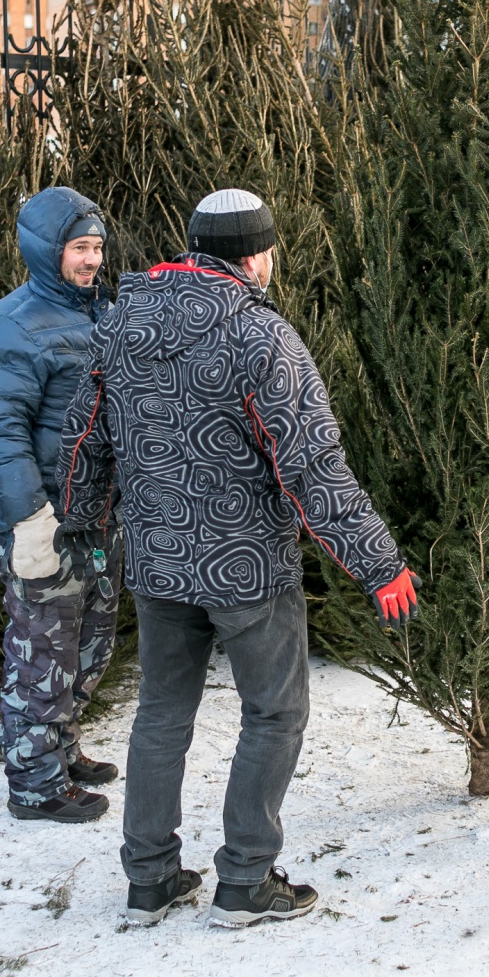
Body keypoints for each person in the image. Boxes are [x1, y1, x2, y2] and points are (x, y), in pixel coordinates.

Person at [56, 188, 419, 928]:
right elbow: (312, 467)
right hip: (246, 565)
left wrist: (82, 523)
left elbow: (83, 438)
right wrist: (380, 563)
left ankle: (150, 877)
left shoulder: (119, 323)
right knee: (275, 711)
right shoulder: (261, 338)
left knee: (161, 712)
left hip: (157, 561)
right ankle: (246, 880)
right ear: (256, 255)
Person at [0, 187, 123, 824]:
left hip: (99, 514)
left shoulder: (104, 314)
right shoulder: (9, 325)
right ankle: (34, 782)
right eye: (79, 248)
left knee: (92, 643)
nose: (91, 260)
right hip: (47, 518)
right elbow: (2, 431)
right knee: (42, 649)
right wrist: (29, 519)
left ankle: (59, 746)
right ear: (45, 250)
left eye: (96, 247)